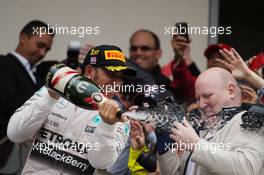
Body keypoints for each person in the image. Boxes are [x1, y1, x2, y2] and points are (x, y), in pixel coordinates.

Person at [7, 45, 137, 175]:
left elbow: (101, 163)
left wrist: (107, 126)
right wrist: (49, 97)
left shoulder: (118, 118)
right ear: (89, 71)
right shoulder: (53, 93)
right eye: (111, 74)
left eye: (120, 77)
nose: (116, 83)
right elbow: (15, 134)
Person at [158, 67, 264, 175]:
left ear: (231, 91)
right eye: (198, 98)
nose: (201, 105)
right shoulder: (202, 129)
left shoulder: (250, 120)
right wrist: (164, 139)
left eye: (207, 96)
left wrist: (196, 145)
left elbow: (248, 169)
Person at [0, 20, 54, 174]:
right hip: (7, 149)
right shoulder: (4, 63)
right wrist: (48, 96)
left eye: (47, 49)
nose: (42, 53)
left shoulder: (36, 73)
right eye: (40, 45)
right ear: (23, 38)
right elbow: (7, 102)